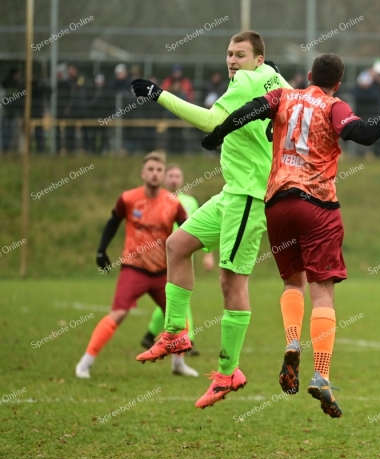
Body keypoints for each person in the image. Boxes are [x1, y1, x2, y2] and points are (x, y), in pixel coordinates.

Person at [201, 53, 380, 417]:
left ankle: (291, 343)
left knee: (292, 284)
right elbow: (364, 135)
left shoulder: (283, 97)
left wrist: (216, 136)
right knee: (323, 293)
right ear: (337, 83)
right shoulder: (334, 105)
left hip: (277, 205)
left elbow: (248, 111)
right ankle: (321, 373)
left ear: (308, 76)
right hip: (317, 207)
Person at [131, 31, 290, 409]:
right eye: (229, 54)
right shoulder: (273, 78)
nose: (232, 61)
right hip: (232, 193)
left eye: (241, 55)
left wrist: (159, 95)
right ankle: (175, 333)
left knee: (231, 281)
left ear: (257, 58)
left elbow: (209, 121)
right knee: (177, 245)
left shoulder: (248, 81)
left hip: (250, 197)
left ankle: (227, 371)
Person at [75, 152, 197, 379]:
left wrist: (197, 252)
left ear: (163, 174)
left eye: (159, 170)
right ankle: (86, 361)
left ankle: (178, 364)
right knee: (119, 313)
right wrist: (101, 250)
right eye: (150, 169)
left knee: (179, 318)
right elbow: (113, 222)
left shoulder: (172, 202)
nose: (155, 173)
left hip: (163, 271)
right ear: (143, 173)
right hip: (134, 267)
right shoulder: (129, 198)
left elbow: (189, 228)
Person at [140, 165, 215, 354]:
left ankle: (150, 334)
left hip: (186, 253)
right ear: (166, 179)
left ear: (181, 179)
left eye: (177, 175)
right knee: (181, 295)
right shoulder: (159, 200)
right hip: (164, 253)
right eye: (171, 175)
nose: (174, 179)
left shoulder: (190, 201)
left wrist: (208, 254)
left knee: (173, 296)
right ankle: (188, 340)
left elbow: (204, 228)